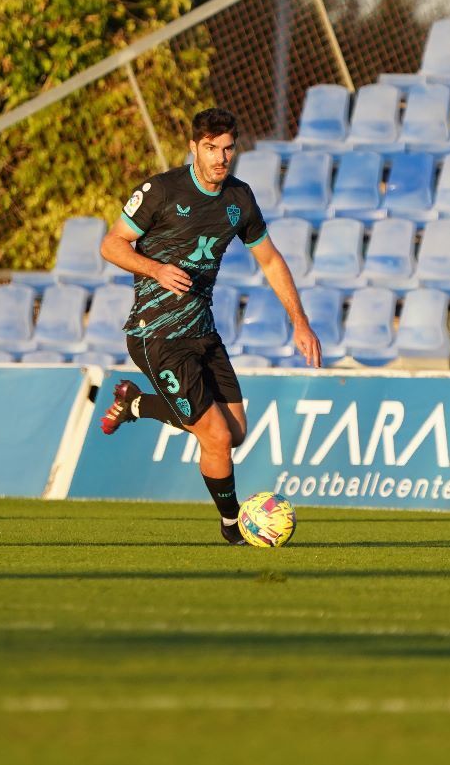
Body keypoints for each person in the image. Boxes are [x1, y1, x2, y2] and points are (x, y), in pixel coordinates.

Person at [97, 109, 320, 543]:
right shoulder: (161, 190)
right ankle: (235, 526)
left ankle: (137, 405)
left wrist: (301, 321)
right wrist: (156, 269)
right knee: (216, 437)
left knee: (235, 432)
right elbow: (111, 243)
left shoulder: (240, 199)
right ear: (194, 148)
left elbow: (270, 260)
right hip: (155, 335)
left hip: (202, 331)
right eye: (211, 148)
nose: (221, 158)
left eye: (228, 149)